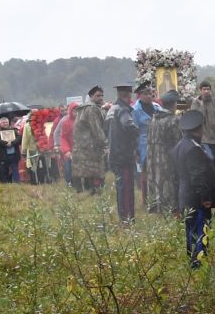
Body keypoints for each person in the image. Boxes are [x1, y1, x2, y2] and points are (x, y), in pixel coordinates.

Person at [173, 108, 215, 266]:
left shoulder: (181, 145)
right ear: (198, 129)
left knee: (191, 229)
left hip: (185, 195)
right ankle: (198, 261)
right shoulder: (194, 149)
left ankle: (193, 259)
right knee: (201, 228)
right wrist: (205, 197)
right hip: (196, 197)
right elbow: (197, 175)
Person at [143, 95, 184, 214]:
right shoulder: (173, 120)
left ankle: (156, 208)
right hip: (166, 158)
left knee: (155, 181)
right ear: (174, 104)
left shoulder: (153, 118)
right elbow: (178, 141)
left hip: (152, 157)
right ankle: (170, 210)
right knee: (168, 183)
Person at [107, 86, 140, 222]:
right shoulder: (123, 110)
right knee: (126, 188)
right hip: (124, 156)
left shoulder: (111, 109)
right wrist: (136, 133)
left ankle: (123, 217)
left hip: (115, 154)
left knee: (121, 187)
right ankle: (127, 219)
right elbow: (129, 126)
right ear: (126, 96)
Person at [72, 89, 108, 194]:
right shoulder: (92, 109)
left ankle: (86, 195)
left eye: (102, 95)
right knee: (95, 177)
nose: (101, 98)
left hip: (81, 147)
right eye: (98, 96)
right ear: (91, 97)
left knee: (85, 175)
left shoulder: (82, 108)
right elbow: (97, 130)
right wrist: (105, 145)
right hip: (92, 148)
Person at [194, 80, 215, 167]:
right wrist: (201, 105)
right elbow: (196, 118)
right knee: (208, 161)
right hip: (203, 139)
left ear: (210, 90)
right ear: (200, 90)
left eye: (208, 89)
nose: (206, 91)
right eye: (204, 89)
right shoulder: (196, 103)